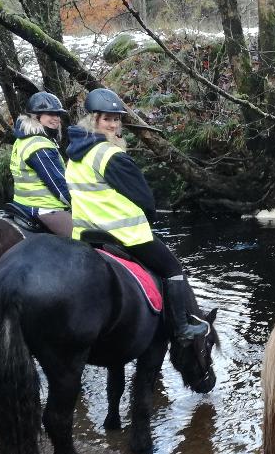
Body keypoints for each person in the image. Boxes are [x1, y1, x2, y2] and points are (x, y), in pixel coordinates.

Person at [63, 87, 208, 342]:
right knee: (173, 268)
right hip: (123, 234)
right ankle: (181, 329)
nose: (113, 124)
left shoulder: (74, 156)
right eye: (107, 119)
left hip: (85, 235)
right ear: (94, 119)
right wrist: (148, 219)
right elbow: (144, 200)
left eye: (116, 119)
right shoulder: (111, 155)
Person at [9, 90, 73, 238]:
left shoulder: (23, 139)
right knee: (87, 241)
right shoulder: (39, 146)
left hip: (22, 203)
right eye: (50, 114)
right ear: (36, 117)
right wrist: (82, 205)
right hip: (45, 207)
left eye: (58, 114)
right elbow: (59, 185)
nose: (56, 118)